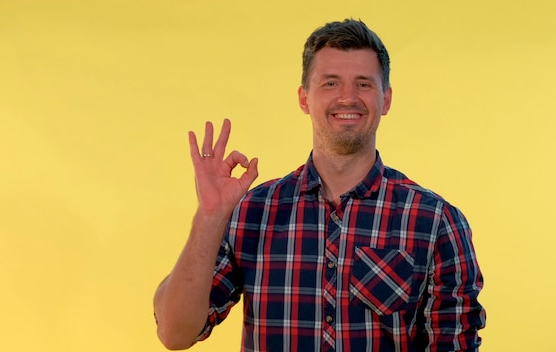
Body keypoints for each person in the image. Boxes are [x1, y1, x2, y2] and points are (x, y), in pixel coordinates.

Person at [153, 18, 486, 351]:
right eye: (330, 83)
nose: (347, 97)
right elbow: (175, 333)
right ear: (303, 98)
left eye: (363, 84)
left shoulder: (436, 222)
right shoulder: (252, 212)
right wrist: (210, 216)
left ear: (386, 99)